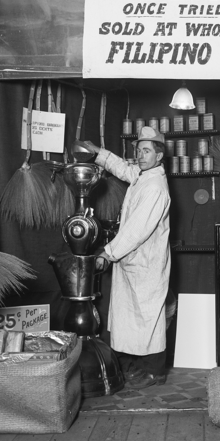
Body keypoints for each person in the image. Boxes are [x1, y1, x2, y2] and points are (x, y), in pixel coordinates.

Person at [77, 127, 171, 389]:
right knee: (132, 316)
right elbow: (122, 168)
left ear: (159, 156)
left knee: (148, 316)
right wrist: (98, 153)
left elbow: (136, 230)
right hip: (133, 261)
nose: (141, 156)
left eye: (147, 151)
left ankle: (154, 371)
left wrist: (108, 254)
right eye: (139, 150)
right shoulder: (144, 175)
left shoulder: (155, 187)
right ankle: (136, 366)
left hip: (145, 262)